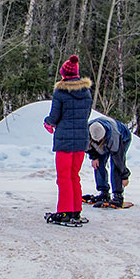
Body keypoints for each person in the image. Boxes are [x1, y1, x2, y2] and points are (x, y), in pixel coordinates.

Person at [43, 55, 93, 224]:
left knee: (63, 177)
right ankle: (75, 211)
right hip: (81, 140)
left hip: (64, 139)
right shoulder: (86, 93)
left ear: (64, 74)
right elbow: (86, 115)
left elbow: (55, 116)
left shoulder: (61, 92)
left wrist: (48, 123)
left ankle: (64, 211)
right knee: (74, 176)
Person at [86, 117, 131, 207]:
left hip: (123, 137)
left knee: (115, 165)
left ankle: (118, 195)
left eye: (100, 140)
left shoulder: (114, 136)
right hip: (103, 137)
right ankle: (104, 192)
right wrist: (94, 157)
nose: (98, 142)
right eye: (96, 141)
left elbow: (119, 160)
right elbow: (87, 146)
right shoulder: (86, 132)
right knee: (98, 163)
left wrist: (124, 176)